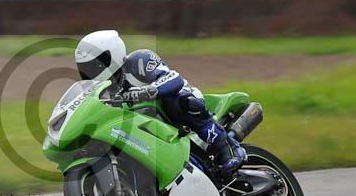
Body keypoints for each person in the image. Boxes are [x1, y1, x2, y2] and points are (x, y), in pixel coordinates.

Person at [74, 29, 246, 176]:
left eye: (95, 65)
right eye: (85, 68)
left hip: (177, 109)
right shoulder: (101, 91)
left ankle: (226, 148)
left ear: (112, 55)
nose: (91, 72)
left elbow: (174, 79)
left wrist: (147, 92)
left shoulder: (140, 60)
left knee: (181, 101)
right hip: (148, 130)